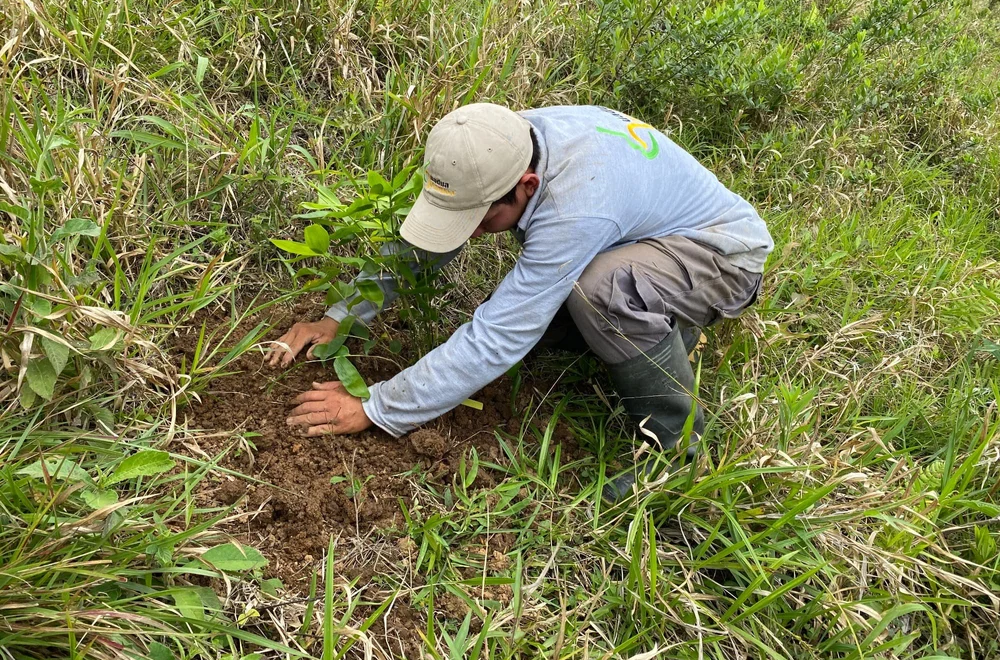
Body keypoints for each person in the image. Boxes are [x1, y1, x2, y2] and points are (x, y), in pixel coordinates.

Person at [264, 104, 773, 501]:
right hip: (634, 235)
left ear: (527, 186)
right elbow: (423, 245)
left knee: (600, 291)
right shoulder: (497, 143)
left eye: (481, 219)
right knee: (559, 303)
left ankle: (675, 451)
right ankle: (643, 331)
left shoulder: (579, 205)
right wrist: (340, 317)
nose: (473, 232)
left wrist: (378, 407)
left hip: (722, 257)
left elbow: (499, 335)